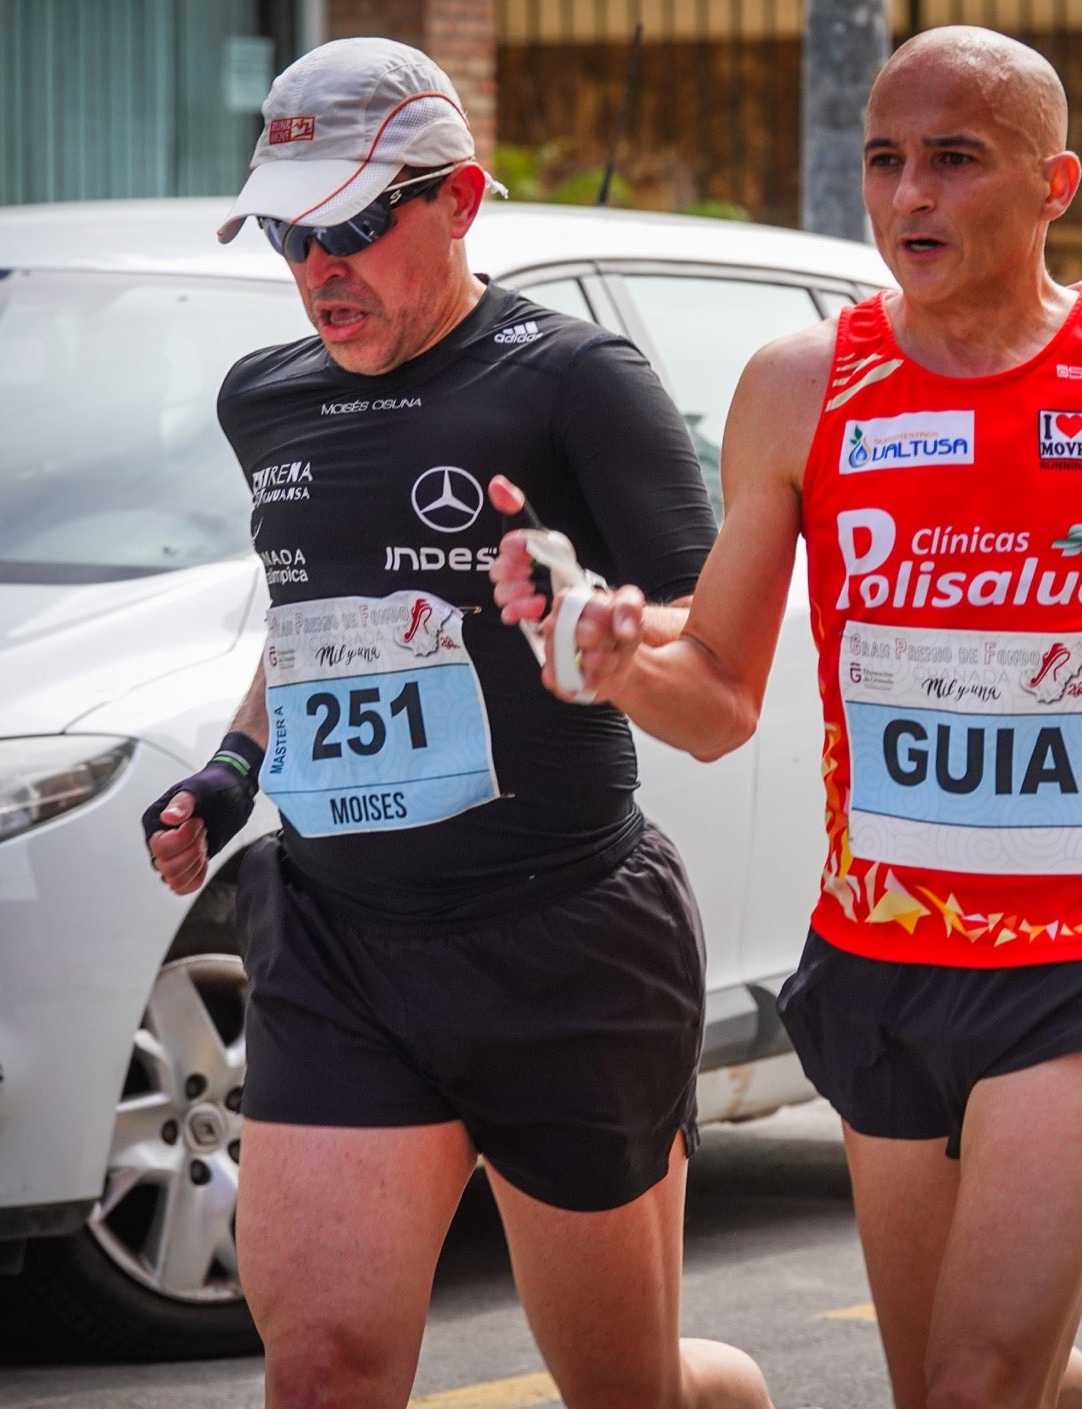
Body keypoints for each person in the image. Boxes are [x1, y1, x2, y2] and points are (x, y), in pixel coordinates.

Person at [491, 25, 1082, 1409]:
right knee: (976, 1377)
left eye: (953, 160)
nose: (909, 196)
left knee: (972, 1382)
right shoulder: (802, 387)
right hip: (882, 955)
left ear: (1055, 184)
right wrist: (612, 659)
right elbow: (719, 697)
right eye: (886, 161)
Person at [142, 37, 774, 1409]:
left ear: (461, 197)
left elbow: (718, 696)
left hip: (566, 944)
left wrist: (597, 647)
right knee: (318, 1373)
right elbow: (310, 612)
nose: (321, 264)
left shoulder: (575, 384)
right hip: (340, 944)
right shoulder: (268, 398)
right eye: (292, 231)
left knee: (630, 1391)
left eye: (359, 221)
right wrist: (236, 767)